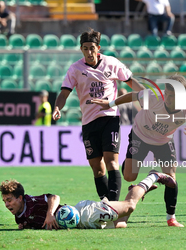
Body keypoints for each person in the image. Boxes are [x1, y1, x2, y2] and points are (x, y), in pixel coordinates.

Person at [92, 74, 186, 227]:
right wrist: (111, 103)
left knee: (171, 178)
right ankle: (143, 184)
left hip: (163, 141)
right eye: (166, 93)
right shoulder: (153, 96)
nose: (167, 97)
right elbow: (133, 95)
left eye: (172, 95)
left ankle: (171, 218)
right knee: (129, 176)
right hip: (140, 135)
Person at [52, 28, 145, 202]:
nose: (89, 52)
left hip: (110, 117)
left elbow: (131, 82)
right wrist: (58, 108)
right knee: (97, 167)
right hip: (88, 122)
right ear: (81, 49)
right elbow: (64, 93)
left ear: (98, 48)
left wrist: (147, 95)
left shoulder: (111, 63)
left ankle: (114, 206)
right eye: (85, 48)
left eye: (92, 48)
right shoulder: (75, 69)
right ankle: (105, 203)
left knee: (111, 162)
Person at [0, 171, 176, 230]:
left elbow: (54, 197)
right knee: (121, 224)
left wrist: (50, 214)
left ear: (20, 198)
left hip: (85, 214)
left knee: (130, 206)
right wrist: (25, 226)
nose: (7, 205)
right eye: (5, 202)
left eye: (9, 200)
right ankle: (135, 190)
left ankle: (153, 176)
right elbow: (30, 222)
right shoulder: (19, 216)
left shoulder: (31, 201)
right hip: (83, 223)